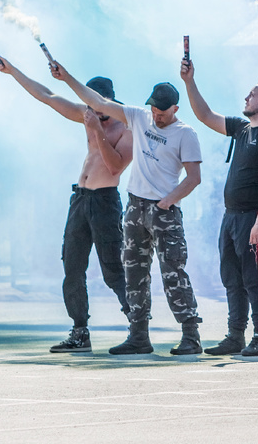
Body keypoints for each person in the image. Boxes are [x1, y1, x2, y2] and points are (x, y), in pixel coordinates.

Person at [52, 61, 205, 356]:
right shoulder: (140, 117)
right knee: (134, 274)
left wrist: (168, 201)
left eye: (162, 112)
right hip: (136, 207)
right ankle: (138, 336)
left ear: (175, 109)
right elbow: (97, 102)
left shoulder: (186, 134)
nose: (157, 116)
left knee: (172, 271)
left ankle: (190, 334)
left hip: (163, 211)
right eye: (154, 111)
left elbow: (194, 178)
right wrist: (65, 76)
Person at [0, 53, 132, 354]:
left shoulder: (126, 125)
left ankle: (137, 325)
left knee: (113, 270)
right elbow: (46, 95)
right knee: (72, 267)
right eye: (92, 105)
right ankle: (80, 330)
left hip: (105, 201)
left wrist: (97, 130)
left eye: (101, 106)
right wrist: (12, 70)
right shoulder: (86, 113)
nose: (97, 112)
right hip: (80, 200)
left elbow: (115, 167)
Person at [179, 55, 258, 357]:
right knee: (231, 277)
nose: (247, 97)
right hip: (231, 217)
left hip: (252, 218)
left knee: (253, 277)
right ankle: (235, 335)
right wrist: (189, 81)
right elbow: (205, 114)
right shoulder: (241, 129)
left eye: (254, 94)